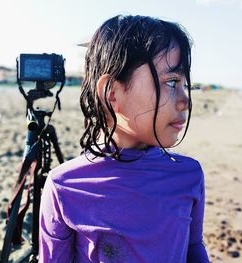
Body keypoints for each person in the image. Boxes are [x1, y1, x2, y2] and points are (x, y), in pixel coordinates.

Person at [38, 14, 210, 263]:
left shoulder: (189, 175)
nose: (186, 100)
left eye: (186, 84)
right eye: (171, 82)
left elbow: (193, 248)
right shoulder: (65, 185)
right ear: (112, 93)